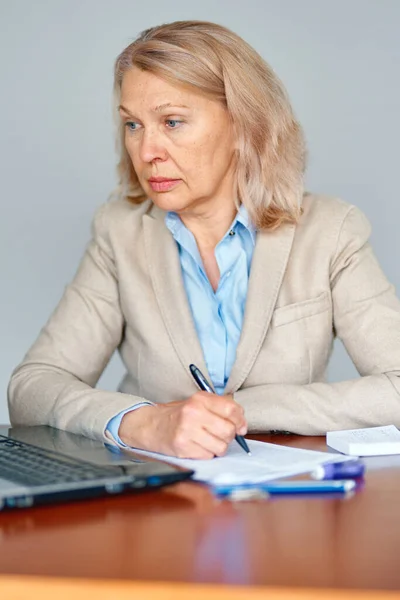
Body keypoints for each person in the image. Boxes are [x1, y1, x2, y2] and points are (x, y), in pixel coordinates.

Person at [8, 20, 400, 459]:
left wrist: (237, 410)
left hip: (290, 503)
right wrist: (144, 421)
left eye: (172, 121)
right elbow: (32, 387)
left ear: (242, 125)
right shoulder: (119, 232)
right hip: (160, 501)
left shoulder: (331, 231)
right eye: (133, 124)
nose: (146, 150)